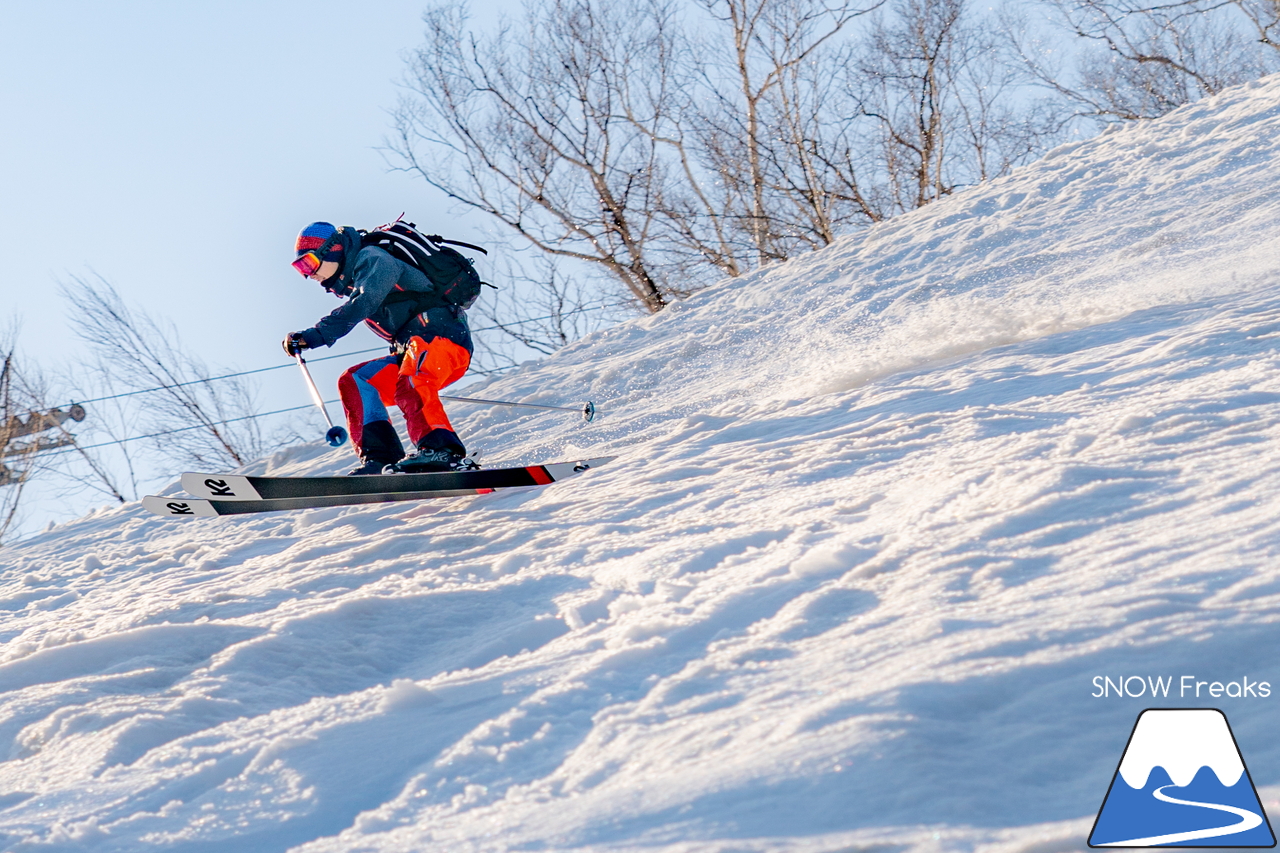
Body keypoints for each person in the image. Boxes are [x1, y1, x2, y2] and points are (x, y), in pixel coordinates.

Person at [283, 221, 474, 475]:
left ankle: (441, 451)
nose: (308, 273)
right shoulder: (356, 276)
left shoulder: (374, 259)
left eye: (308, 263)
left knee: (411, 381)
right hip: (413, 350)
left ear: (333, 249)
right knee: (356, 381)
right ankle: (380, 458)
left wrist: (316, 335)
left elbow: (364, 301)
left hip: (442, 339)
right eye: (300, 269)